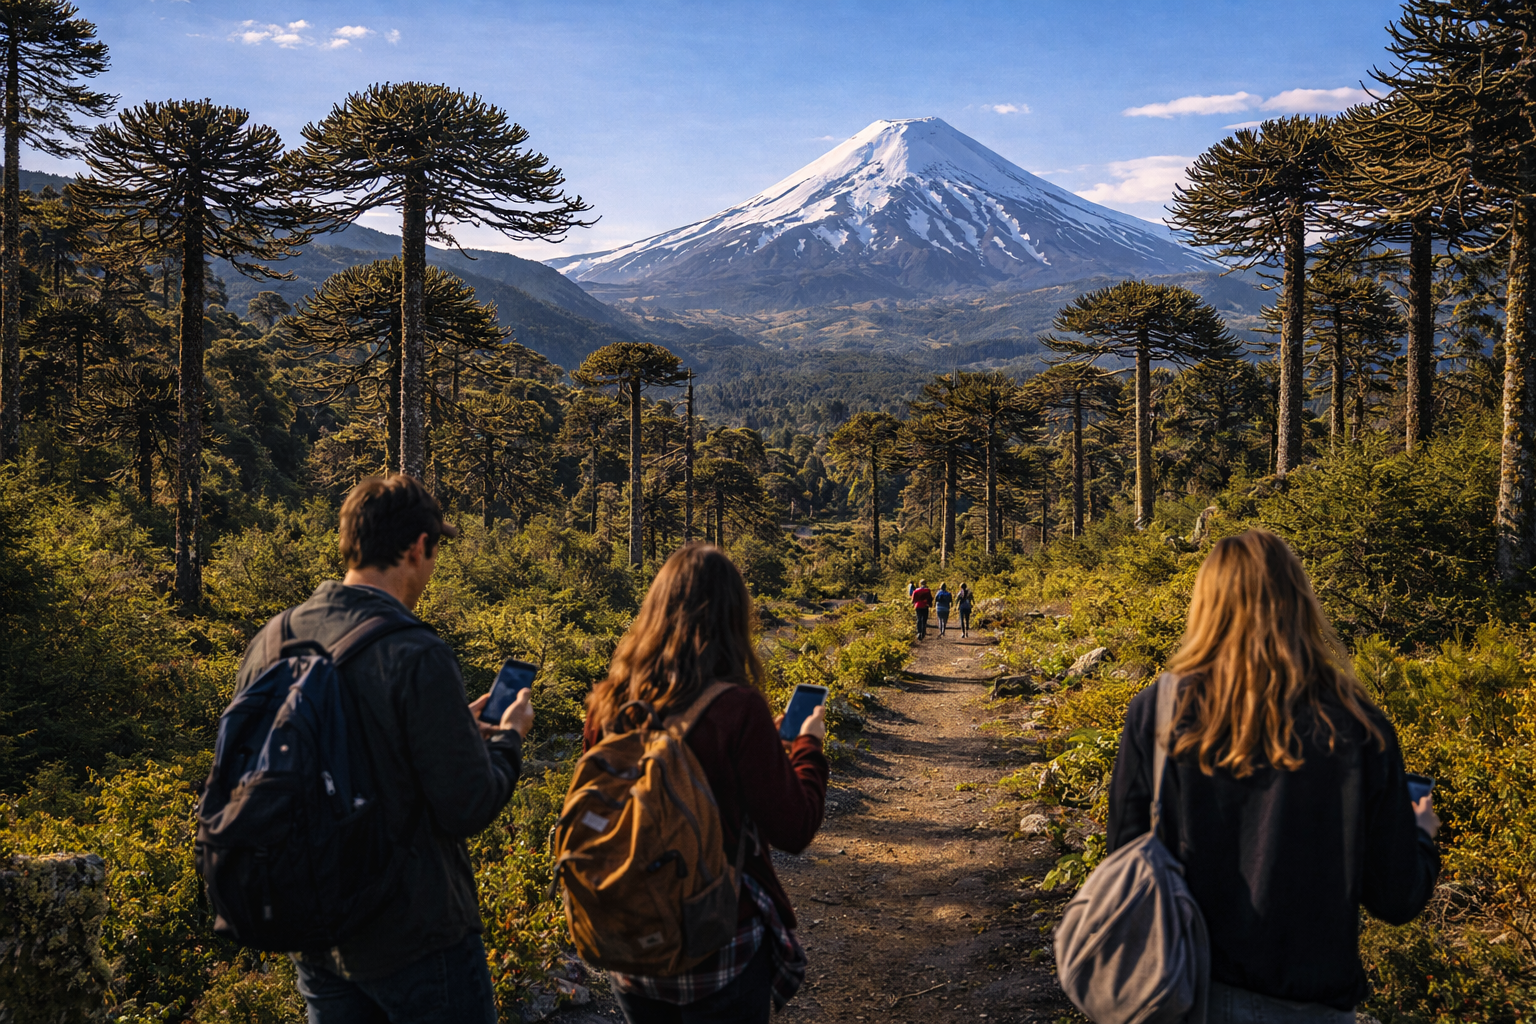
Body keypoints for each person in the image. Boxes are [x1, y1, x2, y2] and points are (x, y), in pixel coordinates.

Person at [1106, 529, 1439, 1022]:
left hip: (1188, 993)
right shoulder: (1357, 723)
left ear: (1206, 605)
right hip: (1314, 1004)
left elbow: (1125, 856)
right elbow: (1395, 899)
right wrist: (1423, 835)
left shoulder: (1159, 711)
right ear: (1299, 603)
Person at [234, 475, 533, 1024]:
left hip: (318, 934)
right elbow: (467, 804)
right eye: (435, 549)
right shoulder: (415, 652)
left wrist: (452, 730)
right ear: (418, 547)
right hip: (419, 937)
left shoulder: (271, 640)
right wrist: (508, 738)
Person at [583, 543, 828, 1024]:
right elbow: (794, 828)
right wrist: (807, 748)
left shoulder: (608, 703)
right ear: (734, 618)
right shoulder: (737, 708)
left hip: (632, 939)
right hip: (718, 943)